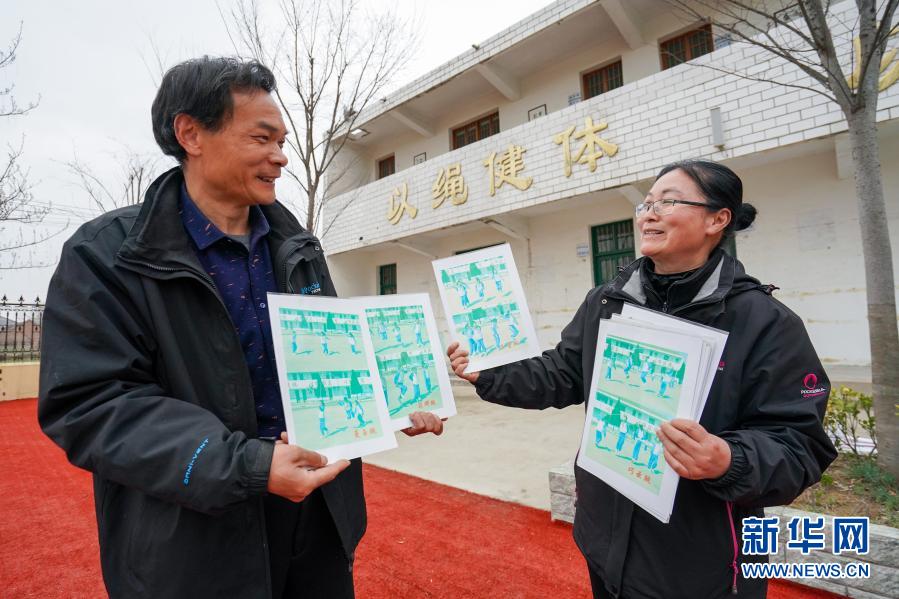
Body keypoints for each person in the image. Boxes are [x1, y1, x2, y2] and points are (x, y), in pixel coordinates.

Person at [37, 56, 444, 599]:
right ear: (191, 134)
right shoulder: (107, 255)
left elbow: (334, 359)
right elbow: (91, 404)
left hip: (318, 517)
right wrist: (247, 466)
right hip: (192, 539)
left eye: (282, 141)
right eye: (261, 138)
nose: (280, 157)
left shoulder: (298, 248)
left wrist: (394, 397)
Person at [447, 159, 836, 599]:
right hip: (604, 542)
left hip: (700, 568)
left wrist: (729, 459)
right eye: (646, 204)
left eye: (667, 202)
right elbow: (562, 372)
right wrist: (490, 372)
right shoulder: (607, 301)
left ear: (717, 220)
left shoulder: (764, 322)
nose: (648, 215)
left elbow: (799, 445)